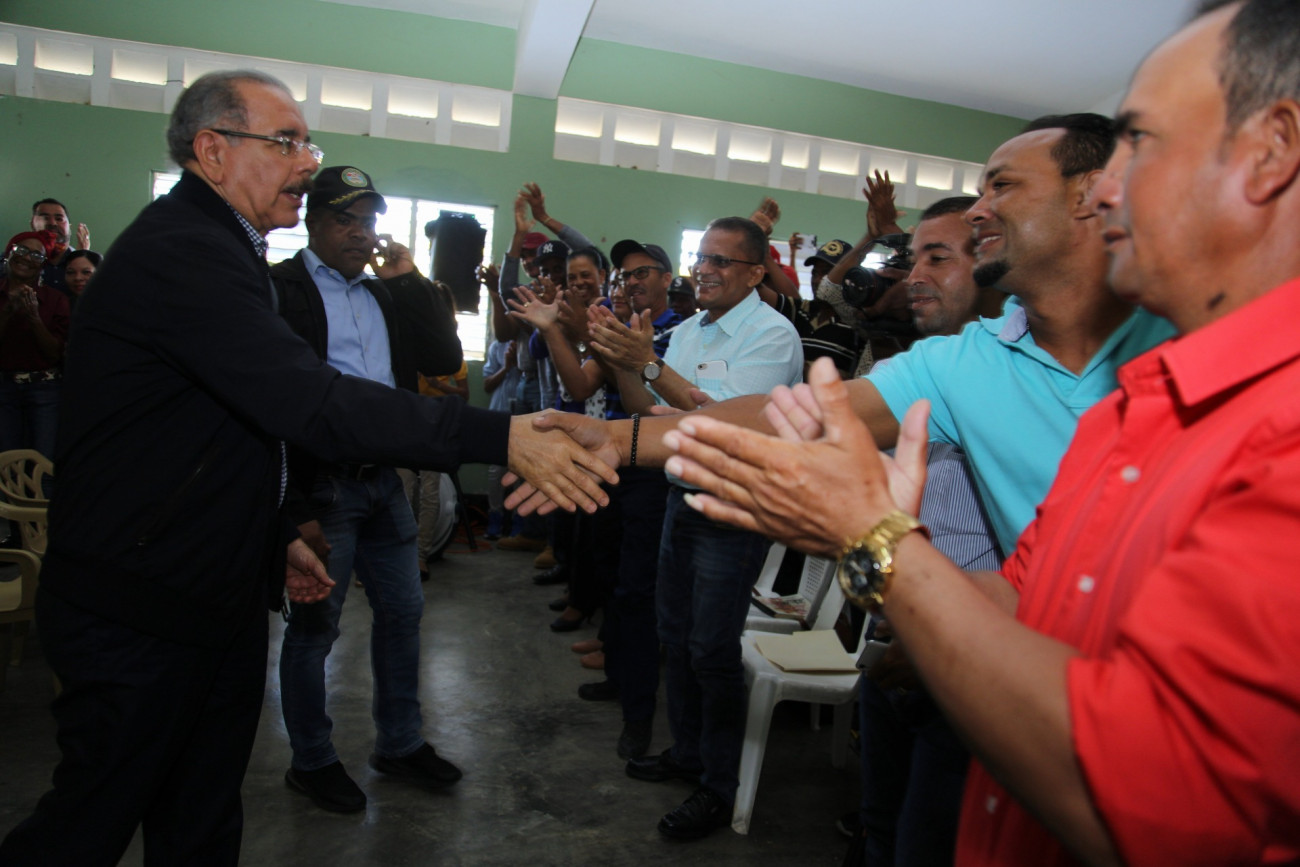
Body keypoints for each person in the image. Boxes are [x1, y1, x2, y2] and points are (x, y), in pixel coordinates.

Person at [655, 0, 1300, 862]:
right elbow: (1026, 600)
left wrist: (873, 538)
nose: (1108, 190)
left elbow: (1156, 799)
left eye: (1140, 143)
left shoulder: (1275, 430)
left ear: (1271, 149)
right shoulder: (1134, 401)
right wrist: (883, 566)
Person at [0, 69, 613, 867]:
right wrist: (501, 437)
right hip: (139, 602)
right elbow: (307, 399)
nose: (306, 159)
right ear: (213, 151)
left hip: (203, 584)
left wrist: (271, 528)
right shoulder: (182, 252)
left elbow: (217, 428)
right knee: (88, 822)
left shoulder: (225, 246)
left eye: (307, 141)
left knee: (200, 818)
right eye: (285, 141)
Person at [269, 165, 464, 814]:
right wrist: (292, 510)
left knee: (404, 612)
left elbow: (442, 359)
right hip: (322, 489)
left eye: (369, 221)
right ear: (313, 222)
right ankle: (312, 760)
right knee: (314, 630)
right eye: (345, 219)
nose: (360, 233)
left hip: (384, 482)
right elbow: (265, 405)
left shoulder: (386, 294)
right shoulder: (282, 290)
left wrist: (408, 279)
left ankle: (400, 743)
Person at [620, 217, 803, 841]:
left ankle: (720, 788)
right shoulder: (689, 330)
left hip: (735, 508)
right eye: (701, 257)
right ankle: (689, 752)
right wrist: (626, 360)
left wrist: (651, 367)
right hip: (681, 498)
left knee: (712, 650)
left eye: (722, 261)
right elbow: (650, 411)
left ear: (754, 273)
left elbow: (727, 421)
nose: (705, 269)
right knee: (674, 635)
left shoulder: (772, 336)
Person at [0, 231, 70, 459]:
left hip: (45, 389)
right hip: (3, 387)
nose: (27, 258)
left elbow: (54, 355)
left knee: (44, 461)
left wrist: (34, 317)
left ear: (42, 266)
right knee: (7, 463)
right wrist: (7, 312)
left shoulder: (56, 300)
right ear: (8, 254)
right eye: (21, 250)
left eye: (36, 256)